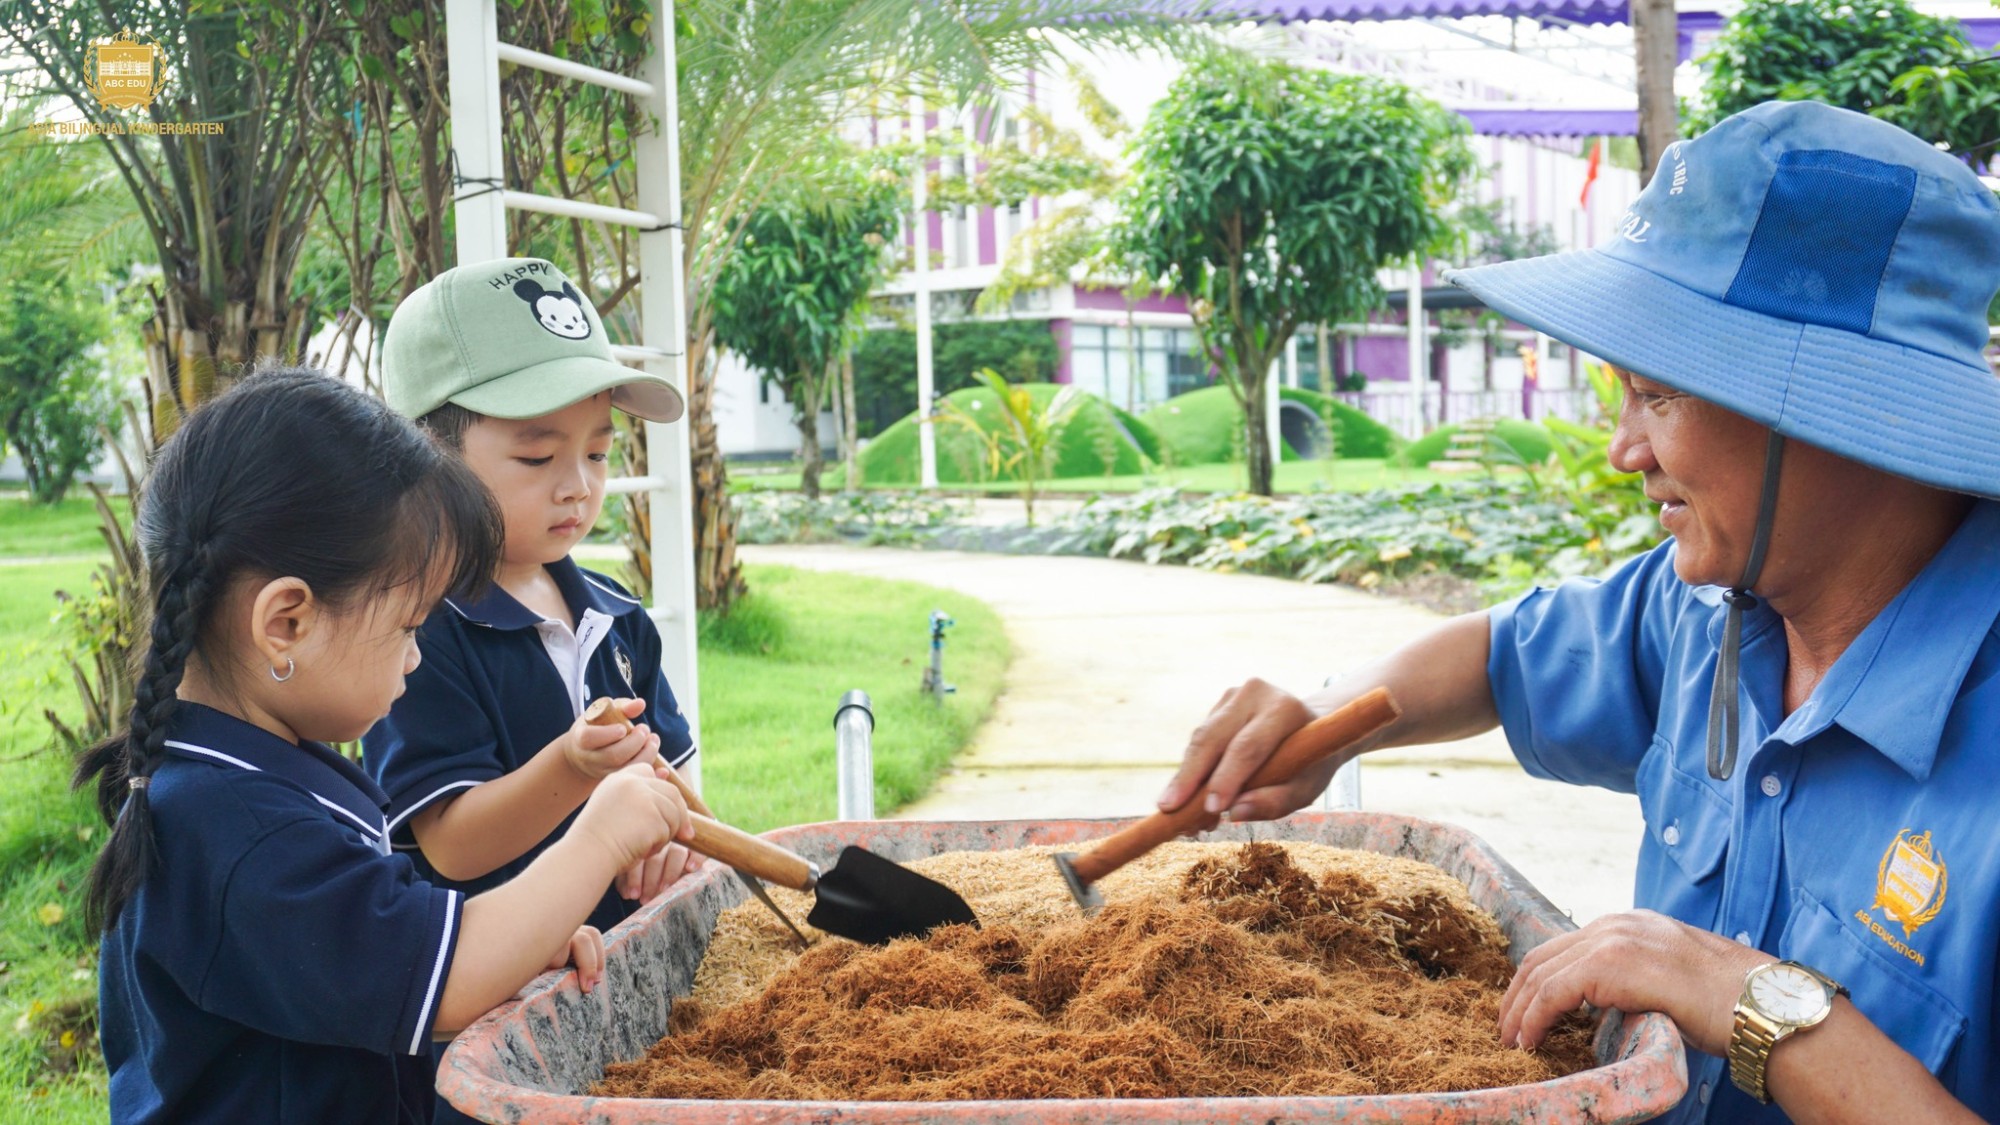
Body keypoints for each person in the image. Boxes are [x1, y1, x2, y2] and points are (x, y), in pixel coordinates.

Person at [1159, 101, 2000, 1123]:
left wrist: (1748, 1002)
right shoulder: (1709, 610)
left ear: (1839, 414)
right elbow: (1497, 655)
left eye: (1656, 397)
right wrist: (1325, 716)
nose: (1621, 448)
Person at [81, 369, 694, 1123]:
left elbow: (385, 947)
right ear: (285, 623)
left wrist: (524, 942)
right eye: (408, 626)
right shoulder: (239, 833)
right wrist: (602, 833)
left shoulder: (244, 779)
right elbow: (450, 977)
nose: (415, 656)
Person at [362, 258, 700, 1119]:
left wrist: (669, 832)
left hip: (612, 985)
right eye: (537, 453)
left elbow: (680, 789)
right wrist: (576, 775)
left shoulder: (618, 619)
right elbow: (448, 844)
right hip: (493, 1022)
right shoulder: (417, 635)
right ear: (426, 456)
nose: (577, 485)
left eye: (596, 451)